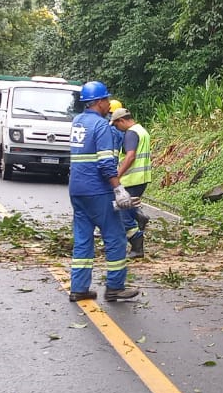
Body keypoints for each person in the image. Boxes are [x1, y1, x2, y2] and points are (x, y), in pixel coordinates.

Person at [67, 81, 138, 302]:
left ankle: (79, 288)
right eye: (107, 99)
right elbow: (106, 163)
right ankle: (115, 287)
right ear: (98, 102)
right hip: (97, 190)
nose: (109, 103)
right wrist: (118, 189)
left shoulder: (78, 122)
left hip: (77, 190)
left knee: (82, 238)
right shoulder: (101, 126)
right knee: (115, 237)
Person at [110, 107, 152, 259]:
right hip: (141, 178)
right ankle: (140, 217)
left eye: (116, 125)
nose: (117, 129)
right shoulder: (142, 130)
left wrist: (117, 175)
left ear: (121, 121)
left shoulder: (131, 133)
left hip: (130, 179)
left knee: (122, 213)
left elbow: (130, 156)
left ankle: (136, 244)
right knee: (128, 207)